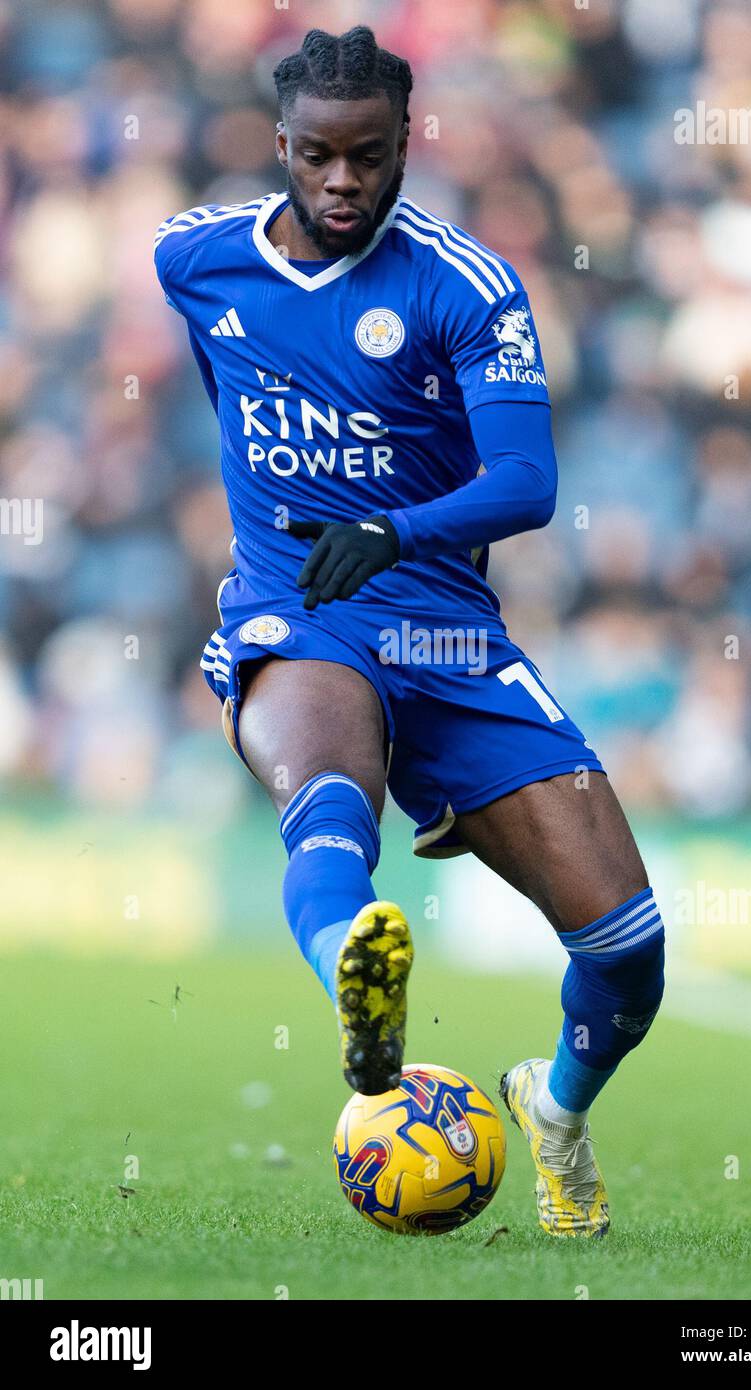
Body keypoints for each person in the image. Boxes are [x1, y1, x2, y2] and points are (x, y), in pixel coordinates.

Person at [153, 24, 664, 1238]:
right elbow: (234, 387)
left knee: (628, 948)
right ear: (278, 146)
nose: (344, 183)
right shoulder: (195, 261)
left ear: (403, 147)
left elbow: (527, 481)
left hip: (442, 628)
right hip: (303, 606)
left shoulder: (465, 283)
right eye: (320, 157)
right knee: (324, 787)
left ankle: (554, 1113)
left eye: (369, 158)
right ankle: (356, 988)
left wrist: (390, 526)